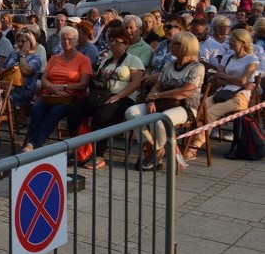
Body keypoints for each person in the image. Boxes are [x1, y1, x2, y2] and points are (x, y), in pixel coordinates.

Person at [125, 32, 204, 170]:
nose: (170, 45)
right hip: (162, 103)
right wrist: (151, 100)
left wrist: (157, 97)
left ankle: (156, 155)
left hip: (186, 106)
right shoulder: (169, 64)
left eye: (175, 43)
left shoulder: (197, 67)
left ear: (186, 47)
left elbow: (185, 91)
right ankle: (155, 149)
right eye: (171, 42)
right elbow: (157, 85)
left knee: (159, 120)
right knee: (131, 112)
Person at [66, 27, 144, 168]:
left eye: (117, 42)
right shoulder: (106, 59)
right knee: (73, 110)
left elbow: (136, 83)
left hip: (124, 98)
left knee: (101, 116)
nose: (113, 44)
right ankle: (79, 148)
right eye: (111, 41)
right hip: (102, 95)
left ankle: (99, 154)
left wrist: (118, 96)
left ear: (126, 44)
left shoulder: (133, 60)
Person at [185, 29, 258, 161]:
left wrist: (227, 77)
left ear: (242, 42)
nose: (229, 42)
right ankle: (192, 139)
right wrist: (236, 80)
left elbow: (242, 80)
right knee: (199, 108)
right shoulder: (227, 57)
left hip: (239, 96)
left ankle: (194, 146)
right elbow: (219, 79)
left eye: (232, 40)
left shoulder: (252, 59)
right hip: (223, 93)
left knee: (210, 113)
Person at [24, 26, 92, 152]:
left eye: (70, 39)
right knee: (36, 109)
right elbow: (44, 78)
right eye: (63, 39)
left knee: (56, 111)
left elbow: (83, 84)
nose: (66, 42)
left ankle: (32, 144)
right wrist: (52, 88)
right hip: (50, 92)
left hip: (69, 95)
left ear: (76, 41)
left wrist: (64, 87)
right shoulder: (55, 58)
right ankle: (33, 143)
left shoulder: (83, 60)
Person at [0, 30, 43, 107]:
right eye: (18, 41)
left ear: (30, 42)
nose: (20, 44)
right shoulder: (13, 54)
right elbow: (1, 69)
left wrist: (23, 55)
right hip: (8, 87)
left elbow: (25, 71)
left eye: (23, 41)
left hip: (24, 91)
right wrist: (13, 74)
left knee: (1, 100)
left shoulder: (36, 57)